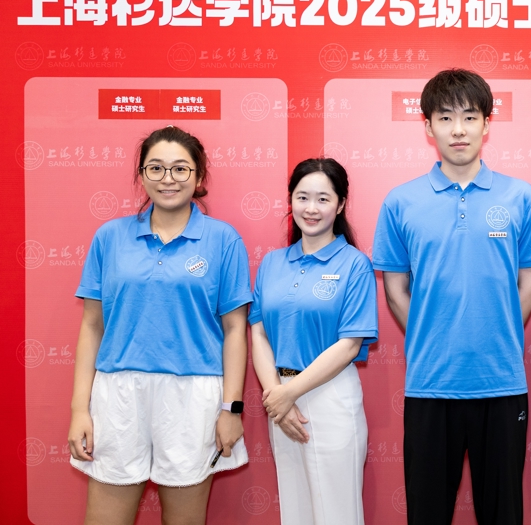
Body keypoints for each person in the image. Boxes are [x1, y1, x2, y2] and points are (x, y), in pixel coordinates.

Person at [373, 69, 531, 525]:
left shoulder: (521, 197)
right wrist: (433, 336)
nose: (458, 130)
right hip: (430, 383)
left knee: (502, 513)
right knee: (427, 513)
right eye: (446, 118)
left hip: (501, 382)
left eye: (470, 117)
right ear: (428, 126)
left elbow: (530, 283)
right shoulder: (400, 201)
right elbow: (395, 290)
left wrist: (497, 332)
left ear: (487, 124)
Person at [67, 125, 251, 525]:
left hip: (194, 394)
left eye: (181, 169)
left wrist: (231, 409)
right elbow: (92, 326)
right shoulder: (110, 237)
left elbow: (236, 330)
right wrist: (80, 409)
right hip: (118, 393)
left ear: (199, 177)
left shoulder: (223, 240)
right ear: (142, 175)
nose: (168, 178)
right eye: (156, 168)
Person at [249, 158, 377, 524]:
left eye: (323, 199)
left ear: (340, 204)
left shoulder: (354, 264)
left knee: (337, 513)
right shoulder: (272, 263)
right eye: (302, 197)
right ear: (290, 200)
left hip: (329, 393)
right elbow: (258, 332)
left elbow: (349, 344)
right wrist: (277, 394)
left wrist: (287, 395)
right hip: (279, 395)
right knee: (296, 510)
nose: (311, 208)